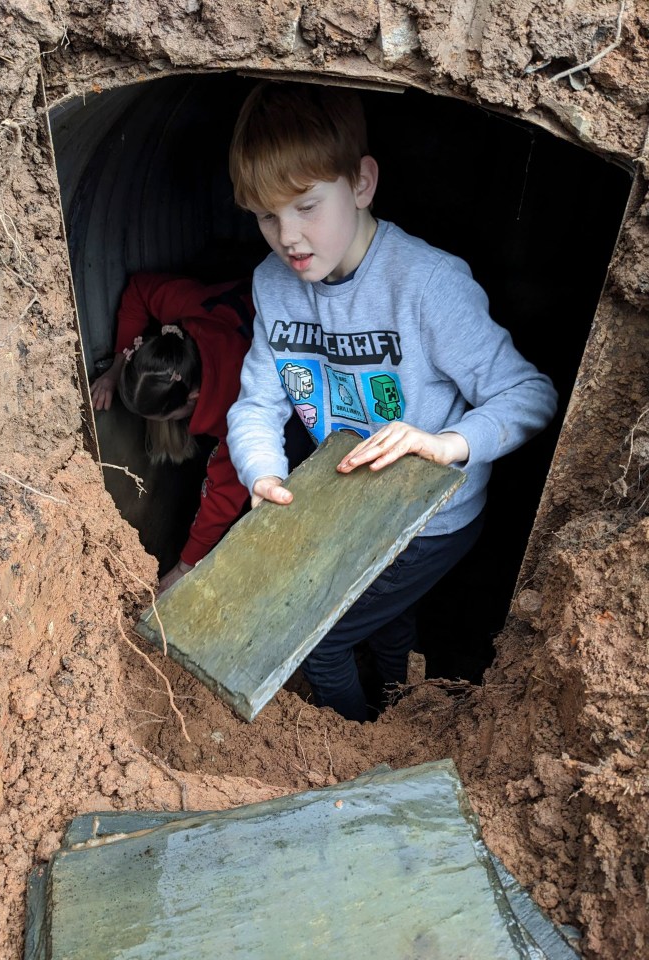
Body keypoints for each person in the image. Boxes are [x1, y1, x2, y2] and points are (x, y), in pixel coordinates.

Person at [226, 81, 558, 722]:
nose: (288, 237)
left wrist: (443, 444)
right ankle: (401, 694)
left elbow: (528, 393)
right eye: (267, 216)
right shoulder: (274, 284)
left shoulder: (427, 283)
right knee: (386, 619)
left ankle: (361, 746)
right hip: (352, 507)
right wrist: (261, 474)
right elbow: (256, 404)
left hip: (432, 519)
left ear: (362, 183)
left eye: (306, 206)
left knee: (319, 644)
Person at [90, 273, 254, 592]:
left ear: (192, 399)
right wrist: (115, 369)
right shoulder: (182, 314)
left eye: (164, 417)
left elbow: (223, 495)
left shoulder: (240, 411)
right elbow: (138, 290)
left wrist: (185, 566)